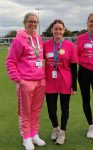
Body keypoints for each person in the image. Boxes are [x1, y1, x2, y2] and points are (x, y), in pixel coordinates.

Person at [6, 12, 46, 150]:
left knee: (36, 110)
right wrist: (19, 80)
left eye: (35, 22)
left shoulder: (39, 38)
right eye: (30, 21)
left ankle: (34, 134)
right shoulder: (18, 40)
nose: (33, 24)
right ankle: (26, 138)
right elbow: (10, 61)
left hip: (40, 80)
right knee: (25, 112)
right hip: (26, 82)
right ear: (25, 23)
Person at [43, 19, 78, 145]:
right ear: (51, 30)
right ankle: (55, 128)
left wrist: (74, 85)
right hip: (50, 82)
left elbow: (74, 67)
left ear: (63, 31)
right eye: (55, 29)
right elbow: (39, 62)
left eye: (60, 29)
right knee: (51, 110)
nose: (58, 31)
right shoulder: (45, 45)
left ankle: (62, 132)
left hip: (65, 81)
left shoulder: (70, 46)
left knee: (65, 109)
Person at [76, 12, 93, 139]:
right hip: (84, 72)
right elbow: (75, 56)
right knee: (86, 99)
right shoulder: (80, 38)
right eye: (91, 21)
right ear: (87, 23)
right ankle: (91, 125)